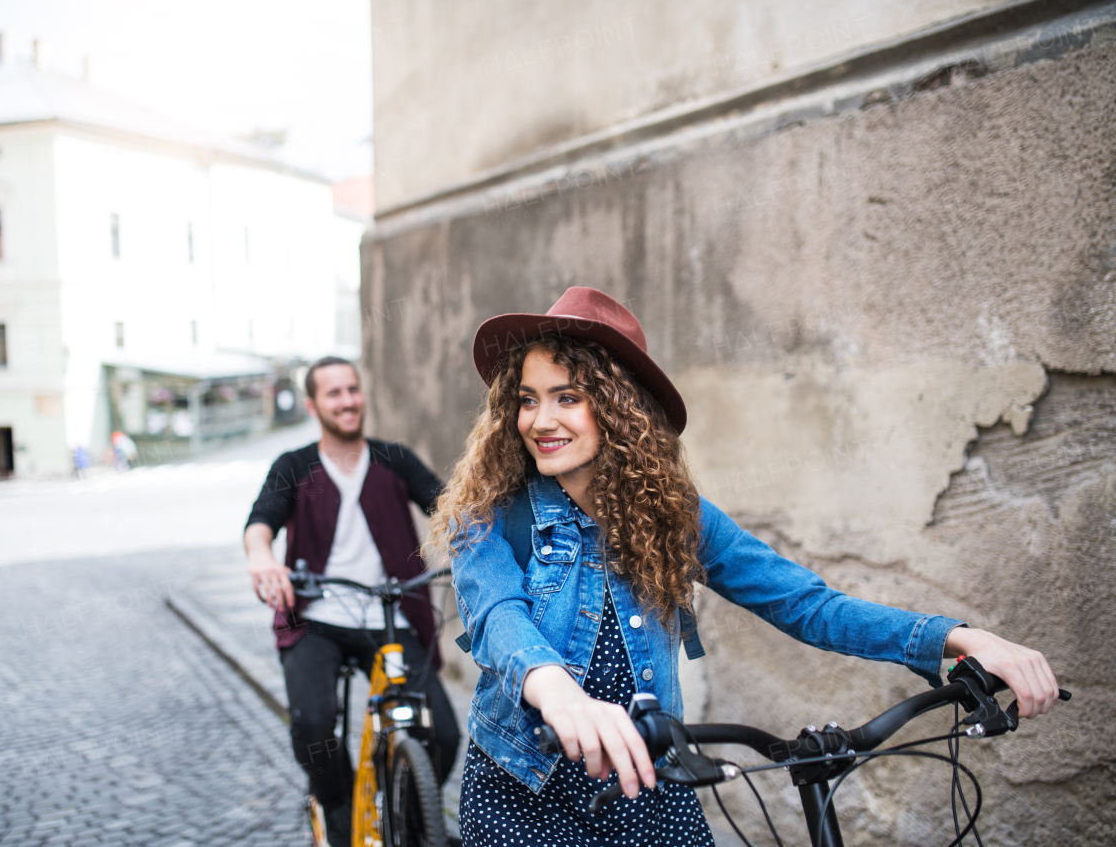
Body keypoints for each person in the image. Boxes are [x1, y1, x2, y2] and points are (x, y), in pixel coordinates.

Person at [431, 287, 1061, 847]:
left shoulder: (674, 516)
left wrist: (958, 638)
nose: (540, 421)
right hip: (526, 795)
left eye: (567, 397)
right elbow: (498, 619)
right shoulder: (486, 515)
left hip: (648, 789)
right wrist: (564, 696)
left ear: (620, 410)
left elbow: (805, 604)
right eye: (527, 399)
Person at [245, 356, 460, 847]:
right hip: (316, 617)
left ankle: (411, 814)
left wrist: (477, 535)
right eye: (334, 393)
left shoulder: (392, 459)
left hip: (390, 614)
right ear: (313, 404)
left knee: (444, 733)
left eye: (352, 390)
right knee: (314, 723)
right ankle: (339, 814)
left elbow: (445, 505)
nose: (347, 401)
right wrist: (262, 558)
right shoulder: (294, 465)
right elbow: (262, 522)